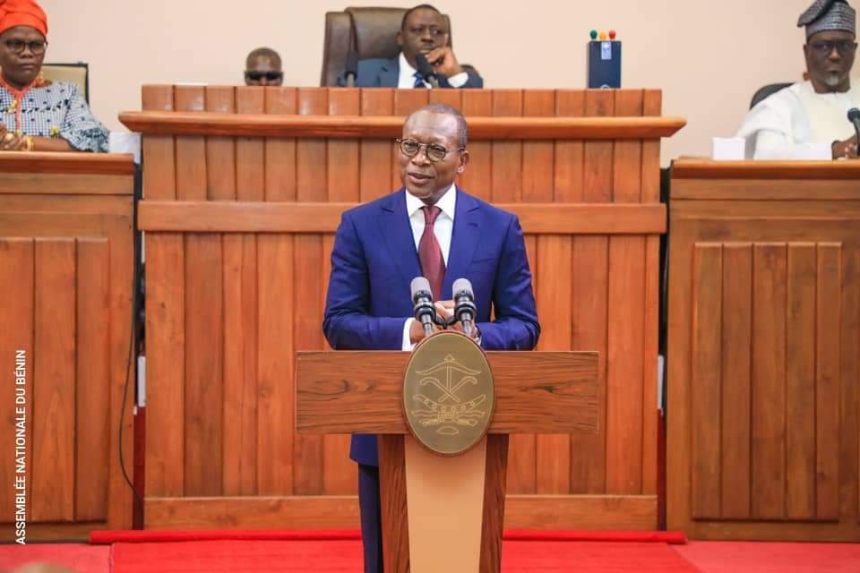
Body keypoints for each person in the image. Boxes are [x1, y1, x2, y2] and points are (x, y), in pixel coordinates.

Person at [322, 103, 539, 573]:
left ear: (462, 160)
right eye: (409, 146)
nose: (418, 159)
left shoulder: (499, 228)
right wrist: (410, 331)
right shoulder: (360, 225)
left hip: (471, 425)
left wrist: (470, 335)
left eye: (435, 150)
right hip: (386, 428)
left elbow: (524, 326)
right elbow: (339, 322)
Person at [736, 0, 860, 159]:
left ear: (854, 50)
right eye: (823, 46)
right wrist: (834, 150)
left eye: (844, 45)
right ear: (807, 52)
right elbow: (767, 154)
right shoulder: (780, 106)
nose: (834, 55)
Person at [0, 0, 108, 152]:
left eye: (36, 45)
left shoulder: (67, 94)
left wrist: (26, 143)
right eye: (15, 44)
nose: (27, 53)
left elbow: (94, 142)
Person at [339, 4, 483, 89]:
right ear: (400, 38)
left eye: (436, 32)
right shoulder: (360, 74)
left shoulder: (456, 79)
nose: (428, 37)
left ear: (445, 40)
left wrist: (455, 74)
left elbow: (475, 113)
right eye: (418, 30)